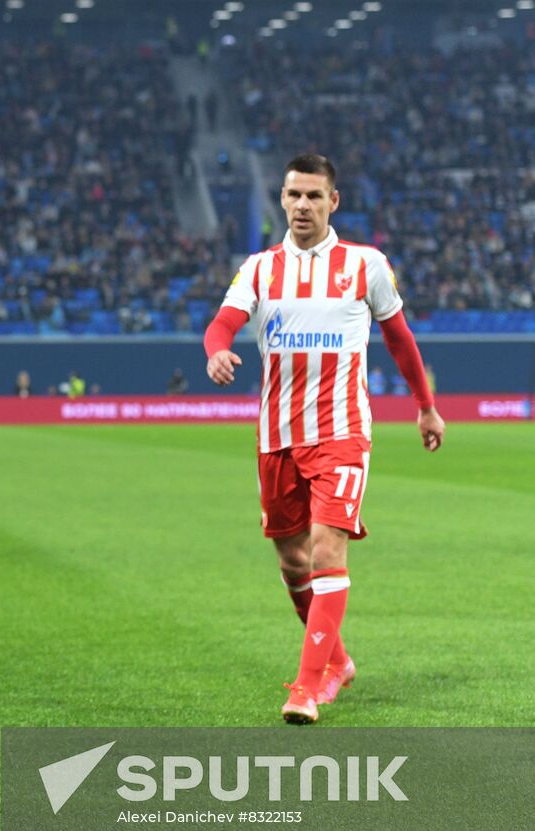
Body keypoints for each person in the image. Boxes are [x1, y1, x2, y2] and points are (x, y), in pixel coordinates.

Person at [203, 153, 445, 725]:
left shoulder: (366, 265)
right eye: (294, 195)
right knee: (293, 562)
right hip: (277, 437)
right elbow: (221, 324)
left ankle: (308, 687)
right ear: (281, 200)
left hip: (342, 433)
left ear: (334, 201)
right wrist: (216, 350)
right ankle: (337, 662)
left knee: (327, 550)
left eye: (314, 196)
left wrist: (426, 407)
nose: (303, 205)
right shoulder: (259, 269)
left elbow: (401, 340)